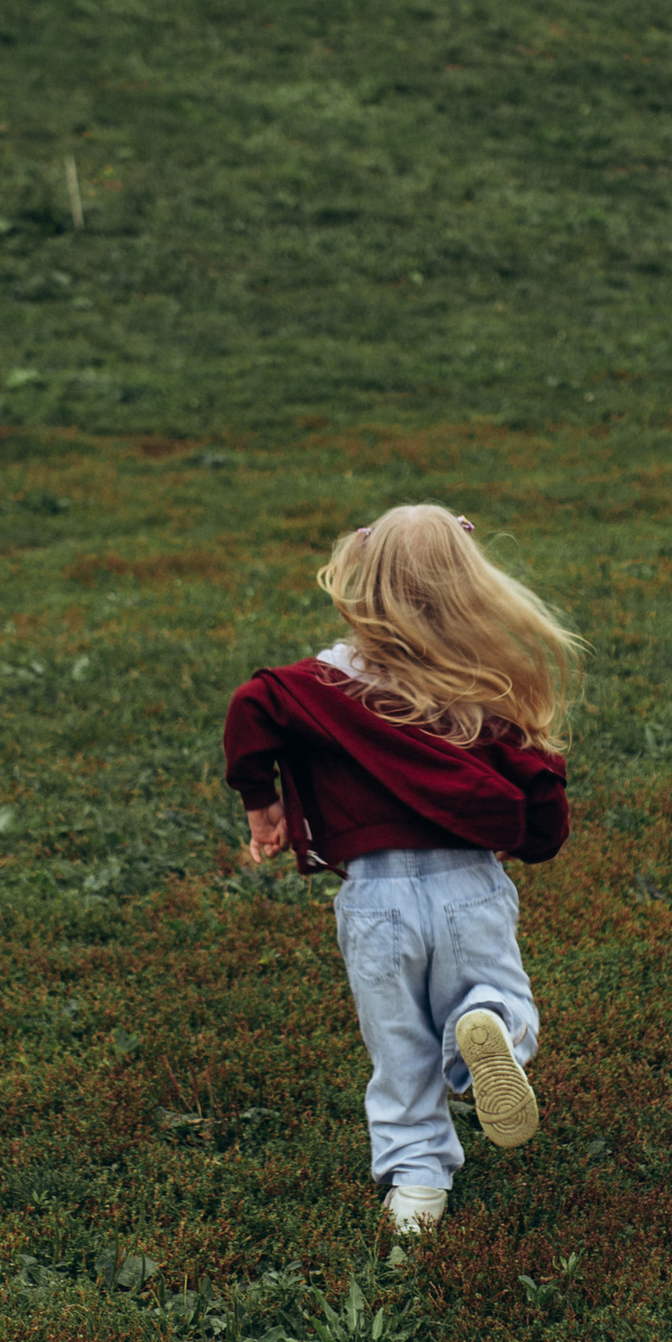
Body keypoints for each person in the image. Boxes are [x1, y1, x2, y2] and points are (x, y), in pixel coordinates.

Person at [223, 505, 579, 1237]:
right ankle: (486, 1035)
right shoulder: (483, 692)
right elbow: (542, 799)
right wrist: (537, 834)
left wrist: (263, 806)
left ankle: (416, 1189)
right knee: (496, 1001)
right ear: (470, 589)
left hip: (375, 901)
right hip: (467, 889)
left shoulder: (317, 685)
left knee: (398, 1046)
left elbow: (250, 706)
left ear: (360, 578)